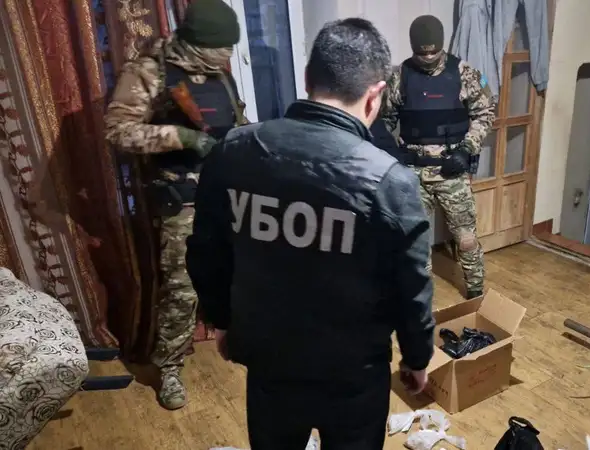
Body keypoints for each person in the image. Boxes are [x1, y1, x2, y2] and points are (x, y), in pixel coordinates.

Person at [185, 17, 435, 450]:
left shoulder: (234, 151)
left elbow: (206, 252)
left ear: (307, 79)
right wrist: (417, 358)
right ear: (375, 95)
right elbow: (412, 287)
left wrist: (222, 322)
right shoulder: (390, 181)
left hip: (269, 361)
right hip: (353, 375)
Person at [104, 0, 247, 410]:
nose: (227, 55)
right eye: (220, 48)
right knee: (182, 289)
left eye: (229, 48)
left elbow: (234, 121)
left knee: (236, 273)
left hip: (228, 193)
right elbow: (117, 131)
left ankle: (235, 339)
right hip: (182, 199)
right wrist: (180, 138)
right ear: (197, 42)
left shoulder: (218, 72)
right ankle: (168, 367)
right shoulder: (150, 71)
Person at [383, 14, 496, 300]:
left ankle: (475, 293)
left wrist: (467, 148)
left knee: (466, 239)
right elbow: (384, 121)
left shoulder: (464, 73)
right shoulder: (399, 76)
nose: (428, 57)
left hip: (452, 170)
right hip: (413, 174)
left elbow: (485, 112)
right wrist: (393, 153)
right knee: (415, 242)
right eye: (422, 53)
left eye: (433, 52)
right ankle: (420, 299)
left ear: (441, 46)